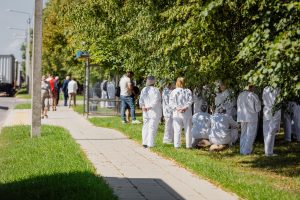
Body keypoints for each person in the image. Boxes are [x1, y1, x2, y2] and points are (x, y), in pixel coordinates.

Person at [237, 84, 261, 155]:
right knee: (250, 134)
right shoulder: (253, 95)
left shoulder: (240, 95)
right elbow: (258, 108)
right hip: (251, 117)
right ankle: (247, 151)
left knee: (243, 133)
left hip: (242, 116)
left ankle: (242, 149)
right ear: (252, 87)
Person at [169, 77, 193, 149]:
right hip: (186, 112)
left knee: (177, 129)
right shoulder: (188, 91)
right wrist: (185, 107)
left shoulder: (173, 92)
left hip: (177, 112)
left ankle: (177, 145)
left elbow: (171, 103)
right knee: (188, 129)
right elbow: (190, 101)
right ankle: (188, 145)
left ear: (177, 82)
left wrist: (177, 108)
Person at [139, 76, 162, 148]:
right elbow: (156, 100)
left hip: (145, 111)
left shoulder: (144, 89)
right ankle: (150, 143)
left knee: (145, 126)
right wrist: (149, 107)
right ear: (154, 82)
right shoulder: (156, 90)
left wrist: (143, 106)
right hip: (153, 111)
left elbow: (141, 100)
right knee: (152, 127)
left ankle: (144, 142)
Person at [262, 86, 281, 156]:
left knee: (266, 131)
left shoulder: (265, 88)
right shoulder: (277, 88)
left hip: (266, 110)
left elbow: (263, 98)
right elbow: (279, 100)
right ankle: (269, 152)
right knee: (271, 131)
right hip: (274, 110)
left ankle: (267, 151)